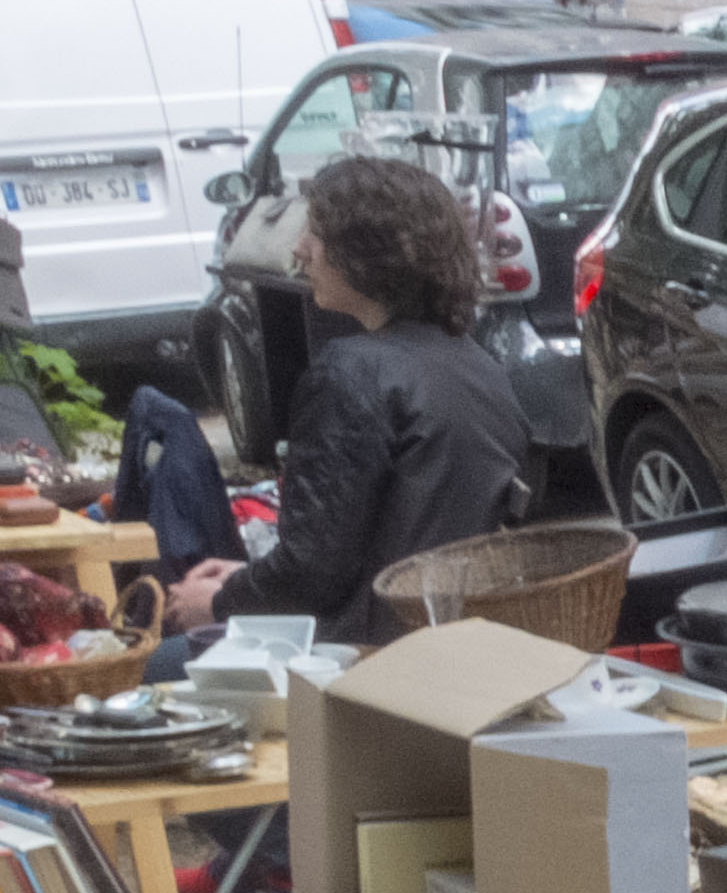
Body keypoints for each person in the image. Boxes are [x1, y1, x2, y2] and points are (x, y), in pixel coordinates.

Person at [169, 155, 529, 649]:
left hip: (370, 657)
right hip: (458, 637)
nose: (299, 250)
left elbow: (314, 572)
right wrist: (244, 577)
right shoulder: (477, 364)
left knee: (162, 662)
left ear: (364, 252)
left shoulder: (350, 371)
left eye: (314, 233)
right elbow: (369, 543)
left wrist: (217, 604)